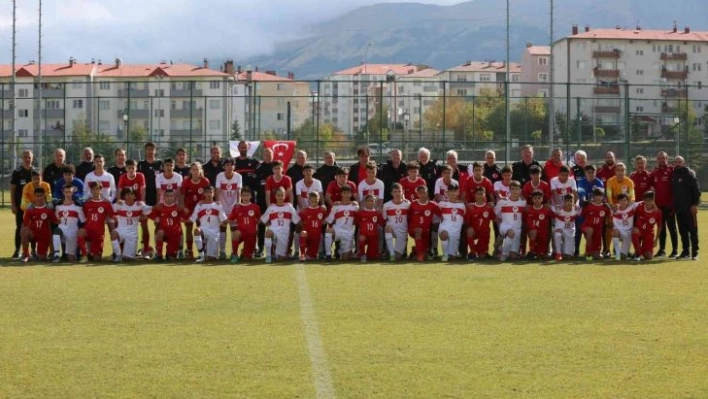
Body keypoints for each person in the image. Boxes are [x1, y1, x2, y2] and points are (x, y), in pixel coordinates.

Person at [111, 187, 152, 262]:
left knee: (129, 259)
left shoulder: (139, 205)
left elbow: (152, 209)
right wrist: (114, 217)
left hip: (132, 234)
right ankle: (118, 255)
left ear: (135, 196)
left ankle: (146, 250)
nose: (129, 196)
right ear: (124, 196)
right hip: (121, 231)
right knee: (113, 233)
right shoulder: (119, 204)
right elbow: (108, 209)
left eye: (131, 194)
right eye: (127, 194)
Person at [260, 187, 300, 263]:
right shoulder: (271, 208)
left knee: (281, 259)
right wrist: (267, 224)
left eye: (282, 195)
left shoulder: (289, 207)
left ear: (285, 196)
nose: (280, 197)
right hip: (274, 231)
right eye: (278, 195)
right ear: (275, 196)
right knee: (268, 232)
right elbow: (262, 220)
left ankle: (280, 253)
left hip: (284, 234)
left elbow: (297, 221)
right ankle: (268, 256)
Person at [672, 156, 700, 260]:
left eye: (679, 162)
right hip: (679, 209)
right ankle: (685, 252)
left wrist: (694, 205)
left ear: (684, 163)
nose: (677, 163)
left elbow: (696, 191)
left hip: (690, 209)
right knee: (682, 231)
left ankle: (695, 252)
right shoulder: (674, 174)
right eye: (676, 162)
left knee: (693, 231)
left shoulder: (689, 174)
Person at [78, 181, 115, 261]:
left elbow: (113, 216)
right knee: (81, 231)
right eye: (93, 189)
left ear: (101, 190)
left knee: (96, 259)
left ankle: (92, 253)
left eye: (97, 189)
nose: (95, 191)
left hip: (98, 233)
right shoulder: (87, 204)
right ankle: (84, 255)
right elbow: (83, 217)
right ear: (90, 191)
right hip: (88, 230)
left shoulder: (106, 203)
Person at [181, 162, 211, 259]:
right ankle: (189, 251)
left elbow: (209, 195)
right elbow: (182, 196)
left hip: (201, 208)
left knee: (201, 229)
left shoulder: (205, 181)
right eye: (193, 169)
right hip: (189, 208)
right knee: (189, 229)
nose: (195, 171)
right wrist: (183, 207)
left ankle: (203, 250)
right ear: (190, 171)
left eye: (197, 169)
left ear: (200, 170)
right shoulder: (186, 181)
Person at [650, 151, 678, 258]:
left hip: (669, 206)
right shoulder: (654, 173)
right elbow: (651, 187)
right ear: (657, 160)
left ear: (667, 159)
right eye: (659, 158)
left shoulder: (672, 170)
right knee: (661, 228)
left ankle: (675, 250)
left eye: (663, 158)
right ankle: (662, 250)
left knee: (672, 228)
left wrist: (673, 204)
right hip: (659, 206)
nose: (661, 160)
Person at [20, 187, 58, 263]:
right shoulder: (30, 208)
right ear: (34, 196)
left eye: (41, 195)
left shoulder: (48, 208)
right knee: (24, 233)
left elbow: (55, 221)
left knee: (42, 258)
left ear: (44, 196)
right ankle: (26, 255)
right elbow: (25, 223)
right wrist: (24, 231)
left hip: (44, 235)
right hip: (33, 233)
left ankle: (38, 254)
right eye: (37, 196)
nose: (39, 198)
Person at [190, 186, 227, 263]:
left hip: (214, 232)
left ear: (213, 194)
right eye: (207, 192)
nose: (209, 194)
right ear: (204, 193)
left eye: (210, 192)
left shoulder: (218, 205)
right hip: (203, 229)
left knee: (211, 258)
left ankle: (208, 254)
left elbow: (224, 220)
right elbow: (192, 219)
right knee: (197, 230)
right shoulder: (199, 205)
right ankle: (201, 255)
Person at [10, 149, 36, 258]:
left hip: (34, 206)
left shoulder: (36, 171)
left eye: (29, 157)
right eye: (25, 157)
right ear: (22, 159)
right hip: (21, 207)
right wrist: (13, 205)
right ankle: (17, 250)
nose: (27, 159)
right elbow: (12, 190)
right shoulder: (17, 172)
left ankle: (34, 251)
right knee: (19, 227)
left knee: (34, 227)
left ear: (32, 158)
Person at [150, 189, 188, 261]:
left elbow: (186, 218)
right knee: (159, 232)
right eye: (167, 196)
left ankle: (171, 253)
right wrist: (156, 219)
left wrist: (185, 212)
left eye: (171, 196)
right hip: (164, 232)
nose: (169, 198)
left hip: (175, 234)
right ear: (164, 197)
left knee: (171, 257)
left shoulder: (178, 208)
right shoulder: (159, 207)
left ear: (174, 198)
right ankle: (159, 255)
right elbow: (152, 215)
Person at [52, 184, 87, 262]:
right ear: (63, 192)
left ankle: (74, 254)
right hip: (62, 231)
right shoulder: (58, 206)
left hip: (72, 233)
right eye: (66, 192)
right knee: (56, 231)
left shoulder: (78, 206)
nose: (68, 194)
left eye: (70, 192)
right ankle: (56, 255)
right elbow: (57, 220)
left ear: (72, 192)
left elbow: (83, 221)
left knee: (71, 259)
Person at [215, 158, 242, 259]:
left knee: (234, 230)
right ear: (224, 166)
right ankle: (222, 252)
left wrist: (238, 203)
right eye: (227, 165)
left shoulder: (238, 176)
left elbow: (239, 191)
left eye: (231, 165)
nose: (229, 167)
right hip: (222, 207)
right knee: (222, 229)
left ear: (234, 166)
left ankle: (234, 252)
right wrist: (218, 204)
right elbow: (217, 191)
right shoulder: (220, 176)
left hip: (234, 207)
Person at [324, 185, 359, 261]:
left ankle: (344, 252)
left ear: (351, 194)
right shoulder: (336, 206)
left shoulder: (355, 206)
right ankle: (328, 255)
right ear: (341, 194)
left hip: (349, 233)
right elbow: (329, 220)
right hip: (338, 230)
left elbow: (362, 216)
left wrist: (357, 204)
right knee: (328, 231)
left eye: (348, 193)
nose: (346, 195)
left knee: (345, 259)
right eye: (344, 193)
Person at [227, 187, 262, 262]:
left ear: (251, 196)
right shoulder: (237, 207)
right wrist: (223, 222)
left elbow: (260, 219)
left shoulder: (255, 207)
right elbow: (230, 219)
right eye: (244, 195)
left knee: (246, 259)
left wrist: (255, 225)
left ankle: (245, 252)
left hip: (251, 234)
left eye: (247, 195)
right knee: (236, 234)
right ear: (241, 196)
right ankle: (234, 255)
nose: (245, 197)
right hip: (241, 232)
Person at [494, 180, 525, 261]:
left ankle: (499, 248)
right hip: (505, 227)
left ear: (520, 190)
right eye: (513, 189)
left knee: (513, 257)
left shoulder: (523, 202)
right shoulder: (503, 201)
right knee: (511, 233)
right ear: (509, 190)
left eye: (517, 189)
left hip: (517, 230)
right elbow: (496, 214)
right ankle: (503, 256)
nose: (515, 191)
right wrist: (500, 228)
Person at [408, 186, 441, 262]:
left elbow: (441, 215)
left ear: (427, 193)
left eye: (424, 193)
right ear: (417, 194)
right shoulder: (413, 204)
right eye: (420, 193)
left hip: (426, 231)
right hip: (414, 230)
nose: (422, 195)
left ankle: (415, 250)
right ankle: (419, 256)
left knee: (425, 254)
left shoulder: (433, 205)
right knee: (418, 230)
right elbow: (407, 217)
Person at [437, 184, 466, 262]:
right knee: (444, 234)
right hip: (445, 227)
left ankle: (453, 253)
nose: (453, 193)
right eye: (451, 191)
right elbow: (435, 211)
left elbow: (463, 217)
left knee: (453, 258)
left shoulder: (462, 205)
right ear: (447, 192)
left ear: (458, 192)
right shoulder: (442, 204)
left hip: (455, 232)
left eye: (455, 191)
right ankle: (445, 254)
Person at [465, 187, 495, 260]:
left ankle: (479, 251)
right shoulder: (470, 207)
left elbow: (494, 219)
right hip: (474, 231)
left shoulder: (489, 207)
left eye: (482, 194)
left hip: (484, 233)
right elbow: (466, 222)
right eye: (478, 194)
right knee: (469, 231)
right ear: (474, 195)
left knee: (482, 257)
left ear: (485, 195)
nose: (480, 196)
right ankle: (473, 253)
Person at [255, 148, 275, 256]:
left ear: (273, 155)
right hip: (261, 201)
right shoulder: (258, 168)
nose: (268, 156)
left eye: (270, 154)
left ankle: (273, 248)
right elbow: (254, 185)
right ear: (263, 155)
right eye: (266, 154)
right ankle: (261, 248)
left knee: (274, 225)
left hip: (275, 202)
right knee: (262, 225)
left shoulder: (277, 167)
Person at [632, 191, 663, 261]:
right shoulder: (639, 206)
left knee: (649, 257)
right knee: (634, 232)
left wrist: (656, 240)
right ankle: (638, 254)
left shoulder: (658, 212)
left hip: (649, 233)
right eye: (646, 201)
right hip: (639, 230)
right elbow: (633, 215)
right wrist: (634, 226)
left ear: (653, 200)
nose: (647, 203)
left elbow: (660, 226)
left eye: (650, 201)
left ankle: (639, 251)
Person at [581, 187, 610, 260]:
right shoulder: (588, 205)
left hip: (598, 229)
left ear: (602, 197)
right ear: (593, 196)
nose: (598, 197)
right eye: (596, 195)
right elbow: (582, 215)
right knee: (590, 231)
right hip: (587, 227)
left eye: (600, 196)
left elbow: (609, 217)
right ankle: (588, 253)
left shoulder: (605, 207)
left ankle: (595, 252)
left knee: (597, 256)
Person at [383, 183, 410, 261]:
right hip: (392, 230)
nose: (397, 193)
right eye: (395, 192)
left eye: (399, 191)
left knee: (397, 257)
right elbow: (384, 219)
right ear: (391, 193)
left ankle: (390, 252)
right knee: (387, 227)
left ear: (402, 192)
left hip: (402, 232)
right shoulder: (386, 205)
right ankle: (391, 253)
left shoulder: (407, 204)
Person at [297, 191, 326, 262]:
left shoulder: (322, 210)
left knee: (312, 258)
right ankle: (302, 255)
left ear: (318, 200)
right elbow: (298, 220)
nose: (314, 202)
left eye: (315, 200)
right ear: (308, 200)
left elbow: (327, 219)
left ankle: (310, 254)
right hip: (307, 234)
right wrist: (302, 225)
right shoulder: (305, 210)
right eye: (312, 200)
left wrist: (322, 223)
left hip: (316, 236)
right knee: (303, 233)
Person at [357, 194, 386, 262]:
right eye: (368, 201)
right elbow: (357, 222)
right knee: (361, 238)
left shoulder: (378, 213)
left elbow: (381, 224)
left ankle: (375, 252)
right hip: (364, 235)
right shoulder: (360, 213)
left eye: (372, 201)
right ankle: (362, 254)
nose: (370, 202)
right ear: (365, 202)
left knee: (372, 257)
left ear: (375, 202)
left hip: (373, 236)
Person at [525, 190, 553, 260]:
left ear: (542, 199)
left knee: (542, 255)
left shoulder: (546, 209)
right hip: (534, 234)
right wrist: (533, 230)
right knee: (533, 231)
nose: (537, 200)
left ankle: (547, 250)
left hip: (543, 235)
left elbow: (553, 219)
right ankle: (531, 252)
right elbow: (529, 223)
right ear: (532, 200)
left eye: (538, 198)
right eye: (535, 198)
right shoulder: (529, 210)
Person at [552, 194, 579, 261]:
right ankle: (558, 253)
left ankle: (564, 251)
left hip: (570, 233)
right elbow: (549, 206)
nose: (569, 203)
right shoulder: (558, 209)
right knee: (557, 234)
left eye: (571, 201)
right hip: (560, 230)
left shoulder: (576, 209)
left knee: (569, 256)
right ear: (563, 201)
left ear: (573, 202)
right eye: (567, 201)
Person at [611, 193, 637, 260]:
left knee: (623, 257)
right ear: (618, 201)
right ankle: (617, 254)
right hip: (619, 232)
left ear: (628, 201)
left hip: (628, 234)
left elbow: (644, 202)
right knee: (615, 231)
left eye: (625, 200)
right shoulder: (614, 209)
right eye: (621, 200)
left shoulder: (632, 207)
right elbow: (605, 206)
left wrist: (654, 205)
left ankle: (624, 253)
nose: (623, 202)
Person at [137, 142, 163, 207]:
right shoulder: (141, 164)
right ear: (145, 151)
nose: (150, 151)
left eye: (152, 149)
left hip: (156, 191)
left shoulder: (159, 163)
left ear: (155, 151)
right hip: (144, 192)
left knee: (155, 212)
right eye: (148, 149)